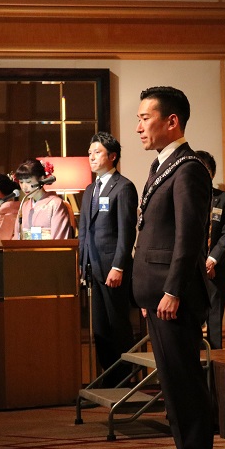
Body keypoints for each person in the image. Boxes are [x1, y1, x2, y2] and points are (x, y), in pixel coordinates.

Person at [132, 86, 216, 449]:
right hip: (158, 297)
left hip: (174, 298)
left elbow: (189, 238)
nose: (138, 127)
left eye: (144, 118)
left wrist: (172, 291)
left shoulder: (189, 168)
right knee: (172, 386)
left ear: (172, 121)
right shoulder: (161, 166)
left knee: (184, 385)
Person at [79, 132, 138, 387]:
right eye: (90, 153)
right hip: (93, 268)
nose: (92, 157)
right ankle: (109, 380)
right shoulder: (90, 189)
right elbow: (84, 231)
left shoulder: (123, 187)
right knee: (100, 329)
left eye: (97, 152)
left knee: (118, 326)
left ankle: (124, 381)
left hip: (113, 269)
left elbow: (127, 232)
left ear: (112, 156)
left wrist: (118, 266)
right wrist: (82, 265)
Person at [193, 150, 225, 350]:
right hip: (193, 270)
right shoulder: (186, 197)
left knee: (215, 322)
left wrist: (212, 260)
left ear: (212, 173)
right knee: (193, 321)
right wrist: (200, 262)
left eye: (206, 169)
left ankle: (216, 364)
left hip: (217, 271)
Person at [13, 159, 71, 240]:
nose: (24, 187)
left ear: (41, 179)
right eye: (21, 182)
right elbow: (17, 236)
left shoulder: (55, 204)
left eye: (28, 181)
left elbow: (59, 238)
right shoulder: (24, 206)